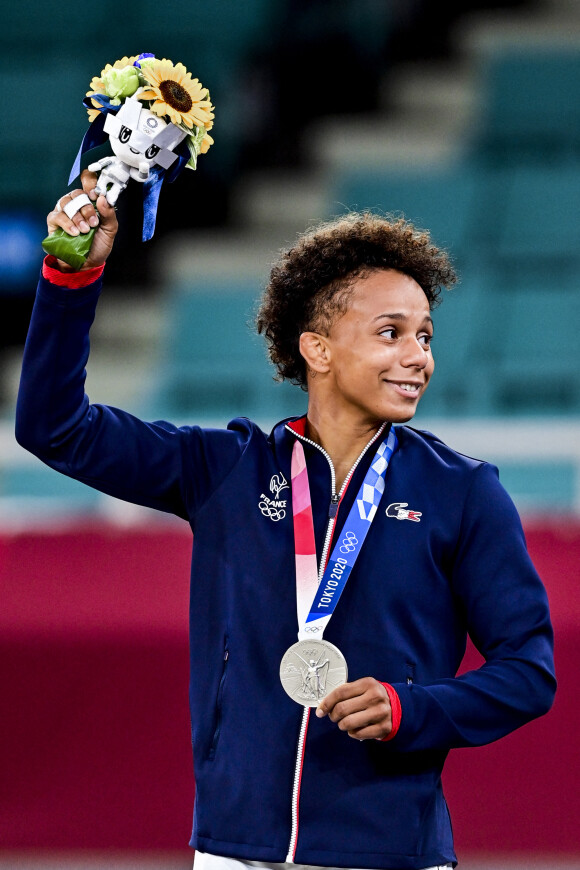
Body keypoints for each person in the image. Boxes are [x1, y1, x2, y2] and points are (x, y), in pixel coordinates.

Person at [16, 173, 556, 870]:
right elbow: (53, 427)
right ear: (318, 349)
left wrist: (412, 708)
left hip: (387, 849)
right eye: (390, 333)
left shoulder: (463, 492)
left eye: (424, 334)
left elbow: (528, 671)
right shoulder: (227, 470)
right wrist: (69, 276)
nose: (418, 356)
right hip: (235, 847)